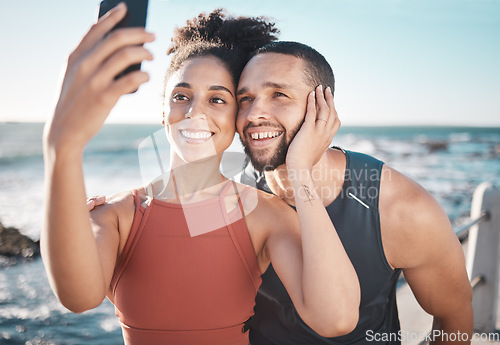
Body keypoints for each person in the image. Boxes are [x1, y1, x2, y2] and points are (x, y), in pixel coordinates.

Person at [41, 5, 360, 345]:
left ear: (238, 116)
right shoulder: (116, 216)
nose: (195, 112)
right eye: (182, 96)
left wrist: (300, 173)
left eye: (217, 100)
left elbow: (336, 319)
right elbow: (77, 298)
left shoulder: (265, 216)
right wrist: (62, 149)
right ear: (164, 111)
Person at [233, 42, 474, 344]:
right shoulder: (231, 194)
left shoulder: (400, 207)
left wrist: (299, 170)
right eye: (245, 99)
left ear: (322, 108)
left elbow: (454, 318)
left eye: (278, 95)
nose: (254, 113)